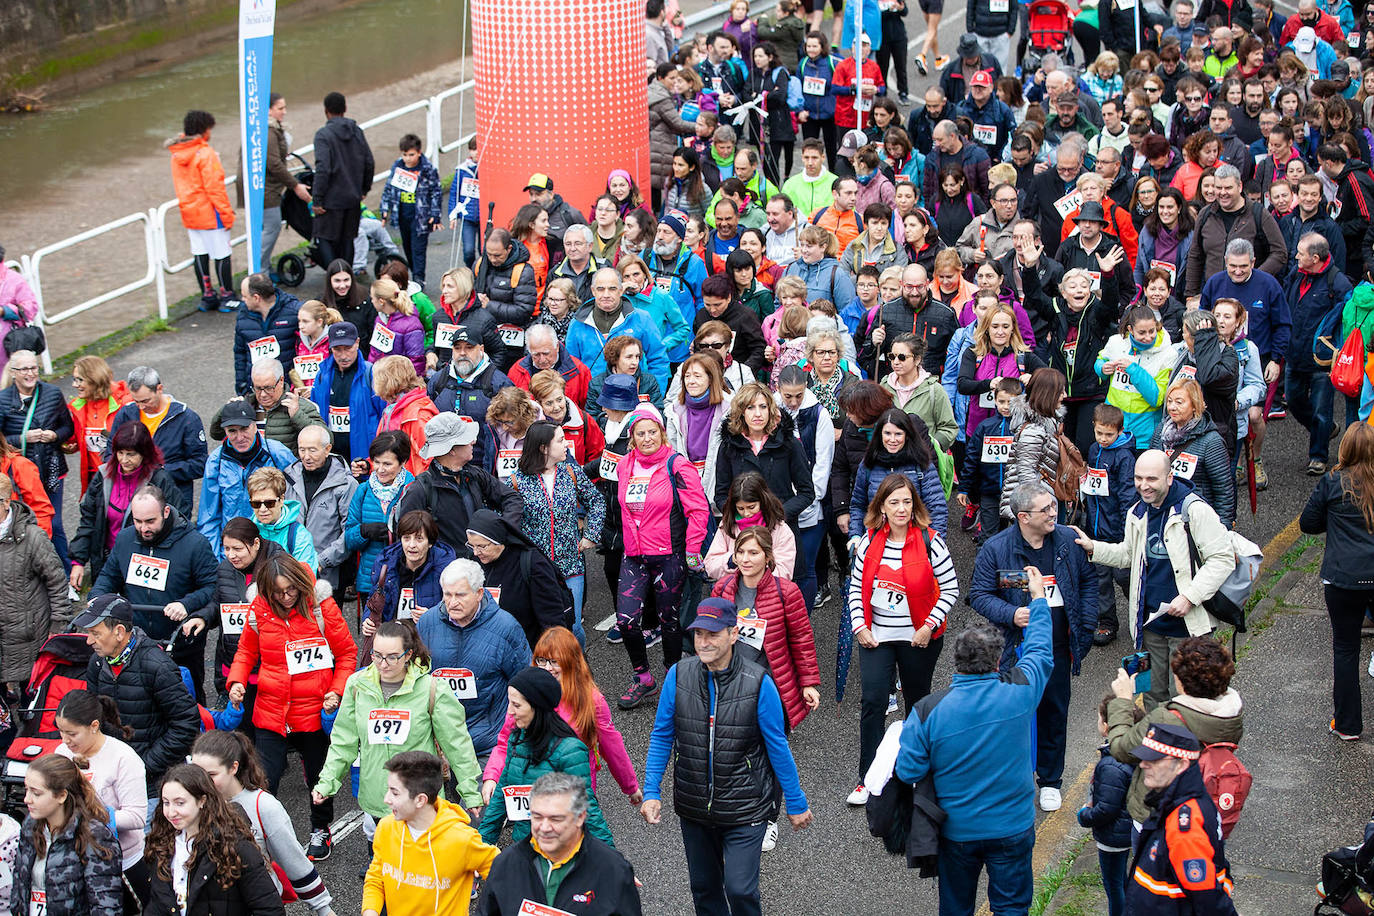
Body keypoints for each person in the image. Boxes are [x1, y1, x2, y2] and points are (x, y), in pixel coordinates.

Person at [640, 598, 813, 913]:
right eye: (698, 635)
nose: (703, 642)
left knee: (740, 889)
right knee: (704, 890)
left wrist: (796, 800)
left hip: (746, 806)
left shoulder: (759, 683)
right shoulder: (678, 676)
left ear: (734, 634)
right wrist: (651, 791)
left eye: (713, 634)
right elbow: (662, 735)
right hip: (694, 807)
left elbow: (777, 745)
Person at [895, 571, 1052, 916]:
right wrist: (1038, 600)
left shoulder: (927, 711)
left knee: (956, 908)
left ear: (957, 663)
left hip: (957, 833)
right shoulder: (1021, 693)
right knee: (1011, 908)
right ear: (998, 662)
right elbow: (1040, 651)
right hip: (1013, 827)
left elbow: (908, 771)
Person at [970, 481, 1097, 812]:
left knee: (1054, 714)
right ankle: (1014, 779)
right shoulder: (996, 549)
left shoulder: (1068, 541)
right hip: (1014, 650)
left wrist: (1084, 626)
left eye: (1054, 506)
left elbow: (1088, 582)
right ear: (1023, 517)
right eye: (1046, 509)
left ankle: (1051, 781)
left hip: (1057, 648)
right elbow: (980, 595)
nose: (1054, 512)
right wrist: (1013, 614)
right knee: (1013, 716)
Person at [1075, 450, 1235, 708]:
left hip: (1188, 628)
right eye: (1138, 478)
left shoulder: (1194, 510)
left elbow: (1223, 558)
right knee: (1150, 696)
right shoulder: (1137, 512)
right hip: (1149, 628)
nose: (1143, 485)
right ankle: (1155, 747)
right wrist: (1092, 547)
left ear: (1170, 478)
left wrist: (1189, 597)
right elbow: (1128, 555)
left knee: (1186, 701)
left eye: (1151, 478)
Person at [227, 553, 357, 861]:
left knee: (318, 778)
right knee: (263, 779)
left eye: (292, 590)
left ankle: (321, 829)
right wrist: (236, 681)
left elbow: (348, 655)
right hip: (271, 711)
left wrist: (337, 692)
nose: (286, 597)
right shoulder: (259, 610)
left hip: (314, 710)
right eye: (278, 592)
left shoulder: (321, 607)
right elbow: (246, 650)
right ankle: (261, 835)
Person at [313, 619, 484, 832]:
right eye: (377, 655)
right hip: (378, 799)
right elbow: (343, 741)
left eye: (392, 657)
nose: (383, 664)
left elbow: (457, 744)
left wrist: (470, 791)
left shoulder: (432, 689)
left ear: (409, 655)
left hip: (420, 802)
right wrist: (327, 782)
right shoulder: (357, 685)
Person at [614, 404, 710, 708]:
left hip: (669, 553)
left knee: (669, 619)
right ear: (632, 437)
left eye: (652, 431)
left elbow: (698, 509)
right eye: (640, 433)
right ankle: (643, 678)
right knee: (627, 620)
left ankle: (672, 675)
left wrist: (693, 549)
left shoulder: (677, 465)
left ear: (662, 432)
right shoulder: (625, 465)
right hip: (634, 554)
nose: (646, 438)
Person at [482, 627, 642, 807]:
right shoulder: (525, 695)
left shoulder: (591, 700)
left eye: (554, 661)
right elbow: (506, 743)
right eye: (541, 660)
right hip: (532, 790)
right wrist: (491, 777)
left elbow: (611, 746)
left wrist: (630, 786)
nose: (547, 668)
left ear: (571, 662)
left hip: (575, 794)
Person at [89, 483, 218, 701]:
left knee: (187, 699)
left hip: (180, 643)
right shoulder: (125, 539)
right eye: (137, 521)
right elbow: (109, 575)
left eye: (150, 521)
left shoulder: (195, 544)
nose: (143, 528)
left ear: (166, 512)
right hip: (135, 640)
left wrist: (186, 604)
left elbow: (212, 586)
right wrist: (97, 596)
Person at [190, 730, 335, 916]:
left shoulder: (263, 806)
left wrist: (324, 908)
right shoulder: (189, 803)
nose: (201, 782)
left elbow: (294, 862)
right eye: (196, 773)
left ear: (233, 768)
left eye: (211, 774)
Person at [478, 665, 614, 846]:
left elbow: (587, 809)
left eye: (516, 705)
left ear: (537, 707)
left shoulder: (569, 750)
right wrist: (480, 847)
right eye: (509, 703)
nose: (509, 711)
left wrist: (614, 864)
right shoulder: (516, 740)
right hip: (524, 850)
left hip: (560, 853)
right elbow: (501, 798)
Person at [416, 559, 532, 760]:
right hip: (436, 743)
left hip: (486, 745)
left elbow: (525, 683)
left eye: (460, 595)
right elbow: (415, 677)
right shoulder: (427, 623)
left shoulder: (506, 627)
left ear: (479, 594)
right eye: (447, 594)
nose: (452, 602)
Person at [481, 771, 642, 915]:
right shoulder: (506, 864)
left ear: (580, 817)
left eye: (555, 819)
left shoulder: (613, 870)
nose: (544, 828)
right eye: (537, 817)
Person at [1301, 423, 1374, 739]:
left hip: (1342, 579)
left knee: (1346, 651)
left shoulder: (1332, 481)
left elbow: (1308, 523)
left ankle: (1347, 725)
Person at [1119, 723, 1238, 913]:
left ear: (1181, 764)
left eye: (1155, 759)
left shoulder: (1185, 825)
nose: (1143, 764)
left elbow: (1209, 901)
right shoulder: (1172, 801)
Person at [362, 751, 497, 916]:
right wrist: (370, 911)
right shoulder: (386, 827)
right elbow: (376, 877)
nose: (386, 799)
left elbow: (508, 879)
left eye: (395, 792)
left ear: (420, 800)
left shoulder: (462, 839)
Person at [143, 762, 286, 915]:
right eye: (166, 803)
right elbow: (157, 905)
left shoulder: (236, 846)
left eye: (180, 803)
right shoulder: (160, 844)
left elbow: (269, 909)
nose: (171, 812)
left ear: (202, 801)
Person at [506, 422, 604, 643]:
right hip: (535, 569)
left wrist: (591, 535)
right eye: (560, 441)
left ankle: (578, 670)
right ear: (543, 448)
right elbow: (504, 521)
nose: (566, 445)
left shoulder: (571, 471)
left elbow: (596, 501)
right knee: (543, 628)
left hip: (571, 566)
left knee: (573, 626)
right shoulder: (516, 481)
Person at [52, 688, 148, 910]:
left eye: (72, 733)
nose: (65, 740)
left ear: (94, 726)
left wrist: (90, 816)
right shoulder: (62, 753)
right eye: (60, 732)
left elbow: (136, 817)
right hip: (76, 859)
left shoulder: (123, 758)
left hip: (122, 863)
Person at [394, 412, 523, 560]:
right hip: (446, 574)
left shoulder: (474, 474)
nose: (473, 442)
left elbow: (512, 498)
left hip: (483, 567)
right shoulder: (420, 490)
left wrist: (500, 531)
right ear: (452, 450)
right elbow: (406, 539)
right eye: (467, 439)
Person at [10, 754, 123, 916]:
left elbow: (106, 906)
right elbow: (19, 881)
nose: (27, 799)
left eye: (36, 793)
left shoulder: (94, 836)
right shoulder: (30, 825)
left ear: (62, 795)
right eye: (26, 790)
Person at [1284, 232, 1353, 476]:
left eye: (1300, 253)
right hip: (1295, 353)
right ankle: (1323, 430)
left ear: (1315, 258)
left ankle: (1318, 456)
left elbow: (1347, 320)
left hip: (1321, 360)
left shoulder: (1338, 282)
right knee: (1293, 400)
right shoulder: (1296, 273)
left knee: (1322, 410)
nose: (1296, 256)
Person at [0, 349, 74, 565]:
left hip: (51, 467)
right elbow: (1, 440)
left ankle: (66, 573)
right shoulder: (3, 400)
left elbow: (67, 426)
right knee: (18, 524)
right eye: (24, 369)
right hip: (17, 472)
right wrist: (23, 438)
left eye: (34, 367)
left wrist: (55, 435)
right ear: (13, 372)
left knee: (55, 523)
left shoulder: (52, 393)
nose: (30, 373)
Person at [197, 399, 296, 558]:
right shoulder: (216, 461)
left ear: (255, 425)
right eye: (232, 431)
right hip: (232, 552)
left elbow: (296, 505)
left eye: (244, 428)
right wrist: (217, 560)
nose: (239, 437)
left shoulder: (278, 453)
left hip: (272, 549)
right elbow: (208, 517)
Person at [713, 381, 815, 527]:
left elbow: (806, 493)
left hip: (782, 528)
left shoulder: (789, 443)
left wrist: (778, 515)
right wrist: (740, 516)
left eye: (763, 407)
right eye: (750, 408)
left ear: (770, 409)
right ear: (742, 411)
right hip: (744, 531)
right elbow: (721, 495)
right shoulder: (729, 446)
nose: (758, 414)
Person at [0, 473, 68, 692]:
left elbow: (57, 583)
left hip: (28, 639)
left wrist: (57, 630)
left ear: (6, 501)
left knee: (32, 706)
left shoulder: (33, 538)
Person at [1077, 693, 1141, 916]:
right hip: (1128, 829)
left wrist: (1085, 815)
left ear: (1106, 727)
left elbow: (1106, 809)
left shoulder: (1111, 764)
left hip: (1113, 837)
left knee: (1113, 886)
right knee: (1123, 881)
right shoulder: (1134, 751)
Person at [212, 516, 282, 715]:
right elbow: (216, 604)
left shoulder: (278, 567)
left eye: (237, 549)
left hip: (267, 662)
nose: (231, 555)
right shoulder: (225, 568)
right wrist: (200, 618)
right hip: (234, 660)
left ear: (256, 543)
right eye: (226, 549)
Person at [168, 110, 237, 313]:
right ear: (205, 130)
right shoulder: (206, 154)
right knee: (222, 254)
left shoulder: (177, 154)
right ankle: (227, 296)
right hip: (210, 212)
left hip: (190, 212)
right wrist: (227, 214)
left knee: (200, 253)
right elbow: (214, 188)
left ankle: (207, 297)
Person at [426, 324, 516, 474]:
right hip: (442, 470)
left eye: (469, 347)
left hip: (483, 469)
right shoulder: (438, 381)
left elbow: (512, 434)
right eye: (457, 348)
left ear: (481, 350)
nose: (462, 353)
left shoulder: (499, 384)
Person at [1150, 378, 1237, 530]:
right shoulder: (1160, 432)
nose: (1172, 407)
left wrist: (1223, 529)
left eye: (1179, 402)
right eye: (1169, 401)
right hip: (1163, 517)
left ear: (1195, 405)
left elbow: (1223, 491)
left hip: (1197, 522)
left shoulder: (1212, 442)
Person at [284, 425, 357, 590]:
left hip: (327, 572)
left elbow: (350, 531)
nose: (306, 456)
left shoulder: (345, 484)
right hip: (292, 568)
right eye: (302, 450)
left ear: (327, 449)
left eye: (312, 450)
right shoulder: (290, 477)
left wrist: (322, 560)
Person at [363, 509, 456, 637]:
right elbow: (374, 600)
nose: (411, 545)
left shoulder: (446, 569)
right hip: (393, 639)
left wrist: (433, 617)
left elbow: (458, 610)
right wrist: (368, 620)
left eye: (419, 539)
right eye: (406, 538)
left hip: (431, 640)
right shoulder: (386, 563)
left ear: (430, 543)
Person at [311, 92, 375, 268]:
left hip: (331, 200)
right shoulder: (356, 131)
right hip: (353, 198)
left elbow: (323, 168)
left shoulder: (323, 135)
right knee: (348, 239)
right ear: (345, 109)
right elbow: (369, 162)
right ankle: (347, 279)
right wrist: (363, 189)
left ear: (326, 111)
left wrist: (317, 199)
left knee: (323, 238)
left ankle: (334, 280)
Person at [210, 359, 326, 454]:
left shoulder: (298, 405)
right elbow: (216, 434)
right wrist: (226, 410)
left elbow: (325, 438)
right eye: (258, 388)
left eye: (269, 388)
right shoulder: (247, 404)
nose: (263, 395)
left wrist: (297, 415)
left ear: (281, 381)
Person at [1000, 368, 1066, 522]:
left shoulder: (1046, 424)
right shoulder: (1033, 431)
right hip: (1032, 512)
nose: (1064, 396)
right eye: (1060, 392)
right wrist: (1039, 512)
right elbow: (1026, 476)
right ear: (1049, 394)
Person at [67, 355, 132, 498]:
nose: (74, 385)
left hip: (123, 477)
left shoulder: (124, 403)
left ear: (94, 379)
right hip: (95, 479)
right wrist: (66, 444)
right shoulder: (80, 406)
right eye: (74, 379)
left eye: (80, 380)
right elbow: (75, 438)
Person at [233, 274, 303, 398]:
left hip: (287, 392)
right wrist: (242, 387)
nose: (242, 300)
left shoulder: (294, 312)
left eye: (244, 296)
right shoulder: (243, 315)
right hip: (255, 392)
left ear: (256, 298)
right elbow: (240, 353)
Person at [373, 355, 439, 476]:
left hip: (411, 489)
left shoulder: (418, 414)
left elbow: (427, 461)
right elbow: (384, 452)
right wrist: (369, 465)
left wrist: (416, 491)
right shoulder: (391, 409)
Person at [244, 466, 318, 569]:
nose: (262, 509)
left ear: (282, 499)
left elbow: (305, 580)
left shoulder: (298, 536)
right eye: (256, 504)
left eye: (269, 503)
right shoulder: (246, 531)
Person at [506, 324, 593, 408]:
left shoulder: (579, 371)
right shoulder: (517, 371)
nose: (542, 359)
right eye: (536, 354)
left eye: (546, 353)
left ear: (557, 346)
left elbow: (588, 409)